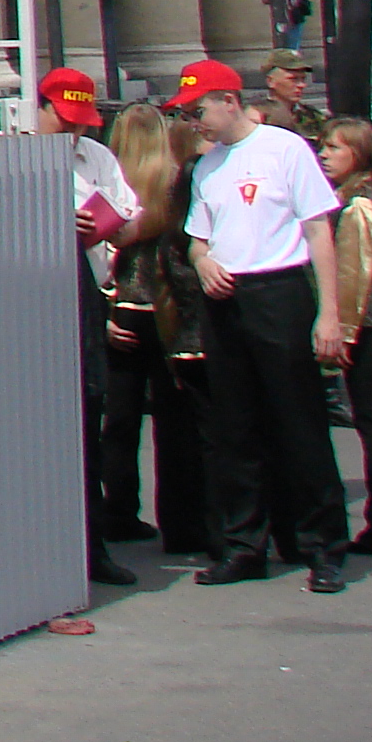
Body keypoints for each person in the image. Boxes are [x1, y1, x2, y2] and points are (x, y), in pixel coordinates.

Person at [183, 57, 350, 592]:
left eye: (200, 109)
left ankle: (321, 544)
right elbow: (197, 237)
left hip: (278, 288)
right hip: (227, 298)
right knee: (236, 428)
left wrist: (329, 311)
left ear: (230, 101)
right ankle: (243, 544)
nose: (196, 121)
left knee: (298, 422)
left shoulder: (284, 149)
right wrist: (203, 261)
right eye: (188, 113)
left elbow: (318, 230)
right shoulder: (207, 166)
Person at [38, 68, 140, 587]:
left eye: (82, 123)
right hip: (38, 298)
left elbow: (131, 213)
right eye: (66, 122)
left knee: (90, 420)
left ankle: (91, 545)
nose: (74, 133)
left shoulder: (97, 157)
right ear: (43, 110)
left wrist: (111, 224)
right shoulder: (17, 158)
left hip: (91, 292)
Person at [102, 98, 209, 556]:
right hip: (166, 311)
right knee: (175, 422)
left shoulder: (111, 184)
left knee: (121, 421)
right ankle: (182, 524)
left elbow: (103, 257)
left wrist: (107, 313)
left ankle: (120, 512)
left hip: (122, 309)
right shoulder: (175, 182)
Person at [319, 116, 372, 553]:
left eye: (334, 148)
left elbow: (354, 275)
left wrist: (343, 335)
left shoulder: (362, 204)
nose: (324, 155)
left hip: (369, 325)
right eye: (324, 147)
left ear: (358, 155)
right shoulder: (355, 197)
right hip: (371, 322)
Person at [254, 47, 328, 143]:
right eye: (293, 79)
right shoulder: (256, 116)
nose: (302, 85)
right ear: (271, 81)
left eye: (303, 79)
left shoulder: (313, 116)